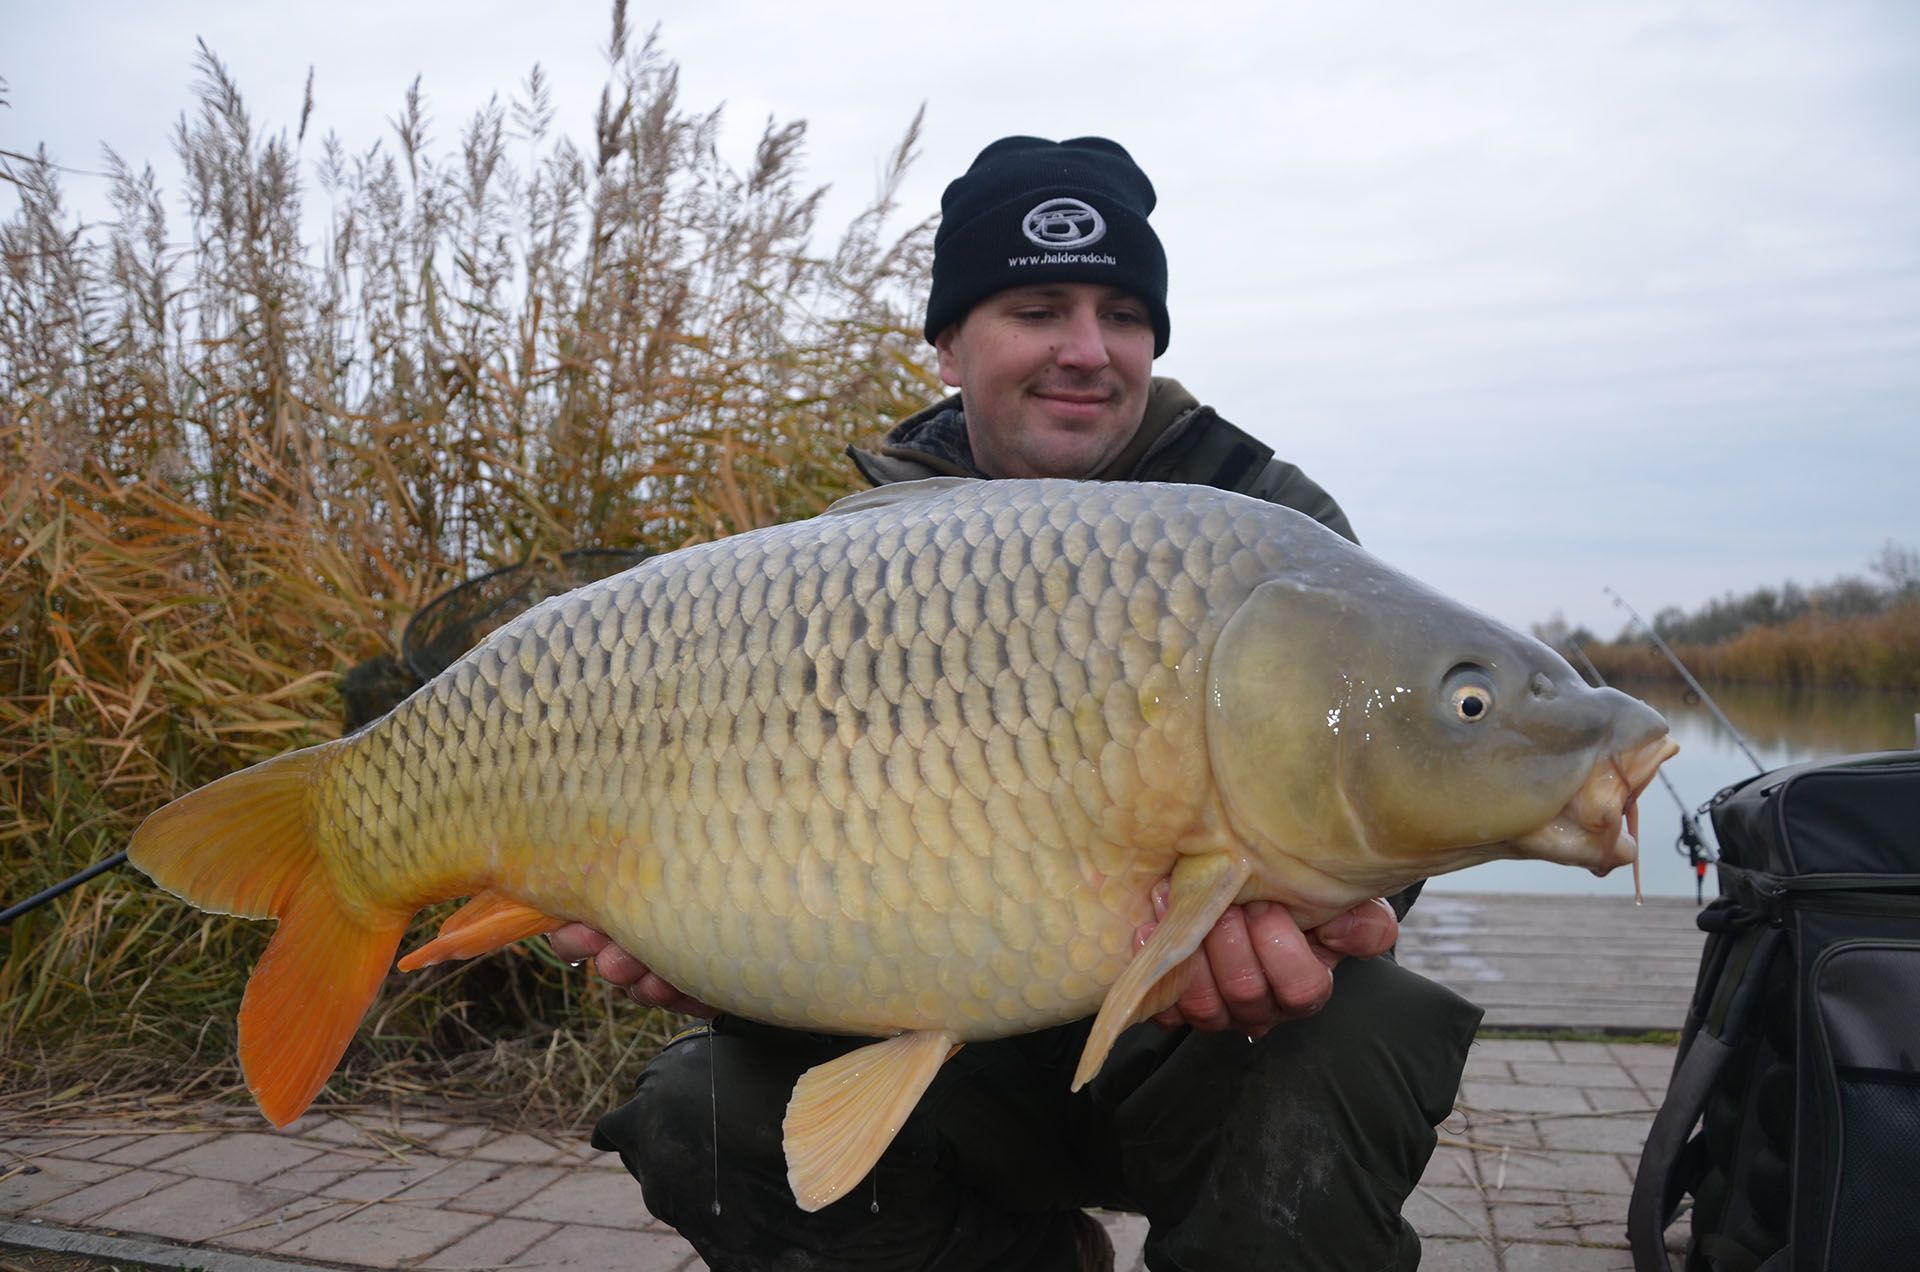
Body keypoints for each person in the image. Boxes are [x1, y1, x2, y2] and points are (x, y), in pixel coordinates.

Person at [554, 136, 1483, 1271]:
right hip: (959, 1057)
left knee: (1359, 1027)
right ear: (950, 343)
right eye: (1039, 309)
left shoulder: (1264, 530)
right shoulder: (841, 564)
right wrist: (691, 944)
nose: (1087, 351)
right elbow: (798, 869)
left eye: (1123, 315)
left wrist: (1310, 920)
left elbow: (1395, 775)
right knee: (697, 1105)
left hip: (1197, 1047)